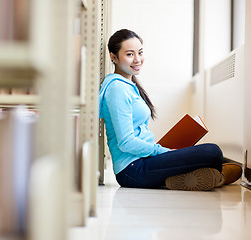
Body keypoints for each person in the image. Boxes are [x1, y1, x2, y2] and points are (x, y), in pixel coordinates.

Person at [99, 29, 242, 191]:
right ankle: (217, 175)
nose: (137, 59)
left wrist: (163, 150)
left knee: (210, 152)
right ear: (113, 57)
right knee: (212, 152)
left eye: (140, 52)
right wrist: (161, 151)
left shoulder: (129, 86)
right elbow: (126, 142)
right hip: (133, 170)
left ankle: (191, 176)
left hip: (142, 160)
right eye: (130, 54)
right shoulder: (117, 89)